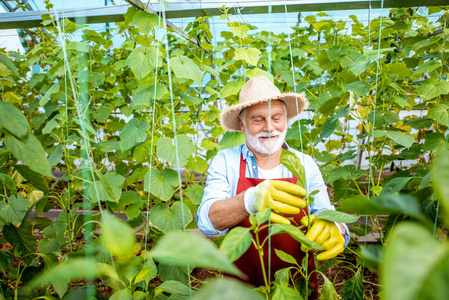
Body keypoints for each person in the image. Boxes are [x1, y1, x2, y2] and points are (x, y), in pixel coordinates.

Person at [197, 76, 349, 292]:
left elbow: (325, 212)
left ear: (286, 119)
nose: (270, 127)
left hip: (296, 286)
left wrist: (337, 228)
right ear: (242, 124)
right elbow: (206, 221)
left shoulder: (304, 163)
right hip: (240, 291)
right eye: (258, 119)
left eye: (276, 117)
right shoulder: (226, 161)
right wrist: (248, 200)